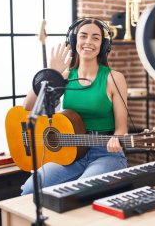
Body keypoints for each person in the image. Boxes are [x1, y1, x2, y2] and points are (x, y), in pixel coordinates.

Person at [21, 18, 128, 195]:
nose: (88, 42)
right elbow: (28, 106)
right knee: (30, 188)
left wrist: (117, 139)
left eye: (95, 38)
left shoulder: (114, 78)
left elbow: (121, 128)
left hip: (105, 153)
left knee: (78, 192)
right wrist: (51, 73)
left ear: (103, 45)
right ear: (73, 41)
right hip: (70, 152)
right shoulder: (64, 75)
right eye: (83, 36)